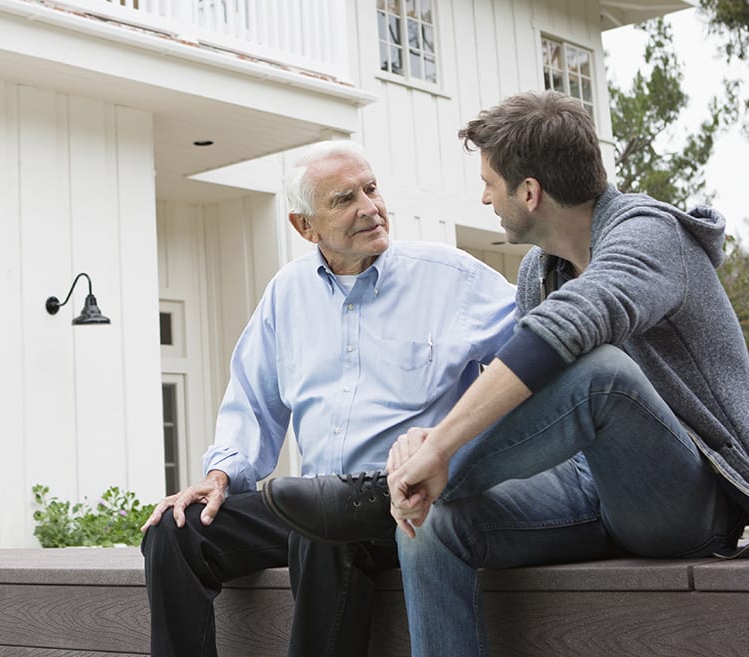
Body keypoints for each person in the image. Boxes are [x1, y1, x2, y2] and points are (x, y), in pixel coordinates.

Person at [379, 90, 749, 656]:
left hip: (690, 500)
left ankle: (371, 496)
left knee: (600, 372)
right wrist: (428, 443)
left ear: (529, 192)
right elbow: (526, 397)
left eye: (490, 183)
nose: (484, 197)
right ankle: (405, 489)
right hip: (587, 489)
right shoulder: (540, 270)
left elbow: (571, 327)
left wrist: (439, 451)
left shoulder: (650, 235)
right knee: (430, 524)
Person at [139, 139, 516, 657]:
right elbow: (253, 401)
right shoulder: (286, 294)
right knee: (175, 531)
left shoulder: (453, 279)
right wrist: (219, 476)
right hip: (315, 502)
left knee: (323, 527)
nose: (369, 208)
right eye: (344, 199)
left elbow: (537, 359)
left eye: (371, 188)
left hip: (404, 502)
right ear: (304, 227)